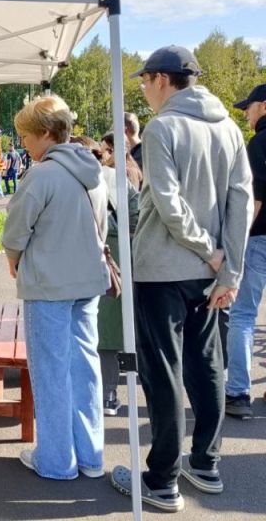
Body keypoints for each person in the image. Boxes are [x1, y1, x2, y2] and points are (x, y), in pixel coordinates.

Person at [110, 46, 252, 511]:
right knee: (207, 367)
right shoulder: (229, 128)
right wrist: (228, 267)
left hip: (163, 269)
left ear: (161, 79)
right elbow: (241, 203)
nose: (143, 90)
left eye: (144, 81)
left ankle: (163, 479)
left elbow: (170, 206)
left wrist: (210, 252)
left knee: (163, 371)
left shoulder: (163, 127)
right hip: (209, 274)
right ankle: (206, 463)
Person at [2, 95, 108, 482]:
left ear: (45, 134)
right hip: (88, 282)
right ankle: (91, 455)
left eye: (27, 136)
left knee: (50, 372)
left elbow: (15, 231)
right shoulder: (93, 170)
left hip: (49, 284)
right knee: (85, 368)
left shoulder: (43, 175)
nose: (24, 144)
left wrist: (13, 256)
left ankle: (56, 460)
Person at [224, 83, 266, 419]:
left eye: (249, 108)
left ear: (263, 106)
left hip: (260, 238)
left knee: (243, 315)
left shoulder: (260, 143)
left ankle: (238, 392)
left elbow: (254, 200)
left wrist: (235, 241)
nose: (246, 114)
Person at [95, 132, 140, 416]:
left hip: (106, 257)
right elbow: (137, 218)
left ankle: (107, 394)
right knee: (112, 331)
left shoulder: (114, 178)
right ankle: (109, 393)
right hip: (122, 257)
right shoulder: (127, 176)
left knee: (105, 334)